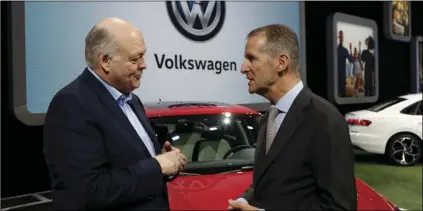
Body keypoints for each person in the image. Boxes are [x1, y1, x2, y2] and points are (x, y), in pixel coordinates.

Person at [43, 17, 187, 210]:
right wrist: (156, 166)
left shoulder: (132, 101)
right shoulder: (71, 104)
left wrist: (165, 162)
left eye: (144, 56)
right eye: (135, 59)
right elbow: (88, 190)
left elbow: (127, 164)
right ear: (105, 61)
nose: (144, 65)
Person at [227, 24, 357, 210]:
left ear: (281, 62)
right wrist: (245, 200)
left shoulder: (325, 120)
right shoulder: (269, 117)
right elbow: (270, 182)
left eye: (251, 58)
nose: (243, 68)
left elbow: (340, 207)